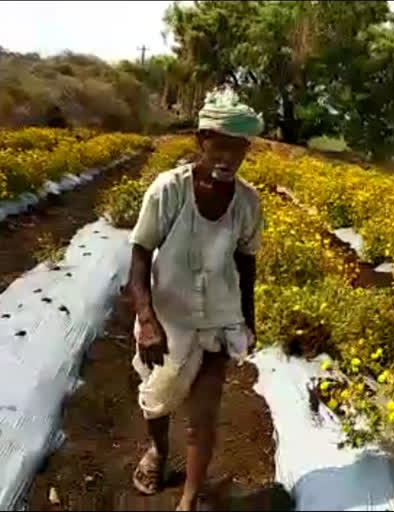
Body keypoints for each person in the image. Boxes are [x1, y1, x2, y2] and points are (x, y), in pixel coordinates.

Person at [127, 87, 264, 511]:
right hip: (168, 319)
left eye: (236, 151)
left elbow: (246, 265)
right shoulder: (168, 190)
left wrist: (248, 320)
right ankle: (157, 451)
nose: (226, 159)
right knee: (159, 398)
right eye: (218, 148)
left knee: (203, 418)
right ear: (201, 141)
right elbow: (139, 254)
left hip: (218, 322)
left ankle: (188, 501)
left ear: (246, 150)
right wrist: (146, 319)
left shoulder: (247, 202)